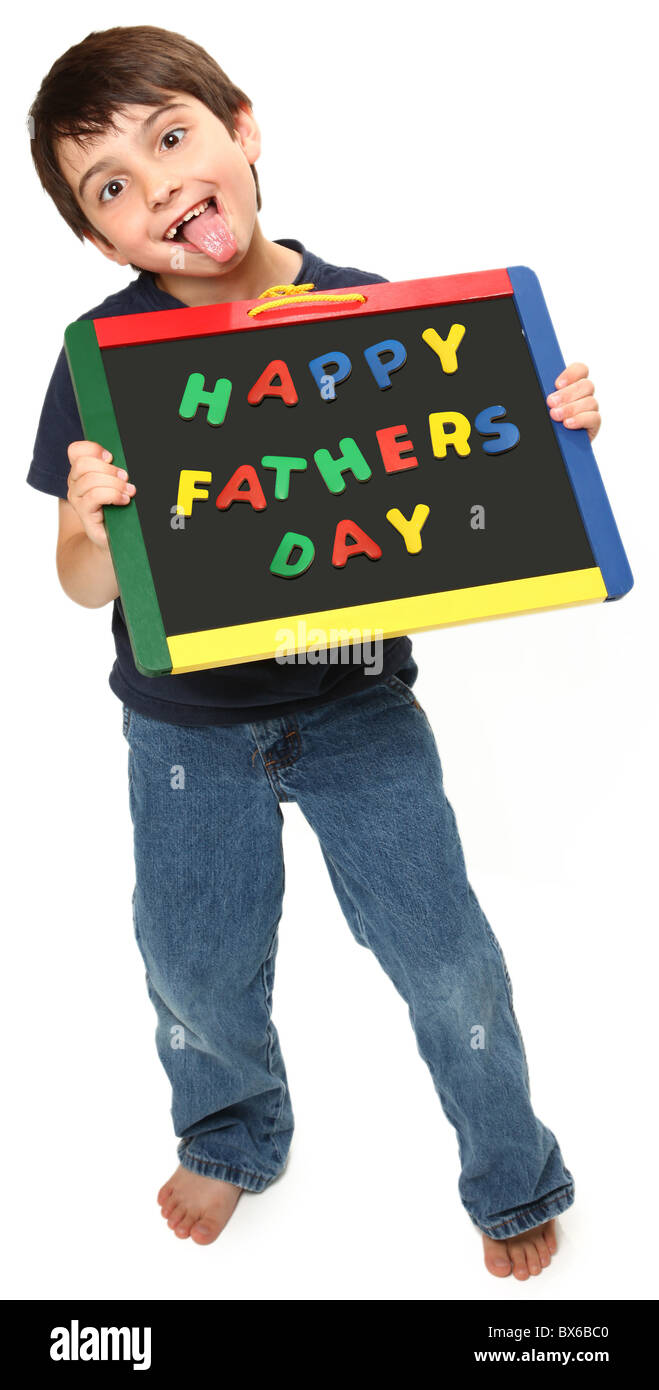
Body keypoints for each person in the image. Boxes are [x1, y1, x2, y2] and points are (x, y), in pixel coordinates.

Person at [26, 25, 601, 1280]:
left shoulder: (369, 314)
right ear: (101, 238)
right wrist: (87, 525)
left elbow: (478, 465)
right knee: (192, 963)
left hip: (357, 710)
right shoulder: (100, 368)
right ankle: (229, 1135)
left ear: (241, 125)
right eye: (110, 185)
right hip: (179, 727)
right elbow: (78, 588)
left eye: (170, 137)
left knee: (446, 956)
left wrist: (550, 428)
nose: (157, 185)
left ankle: (510, 1169)